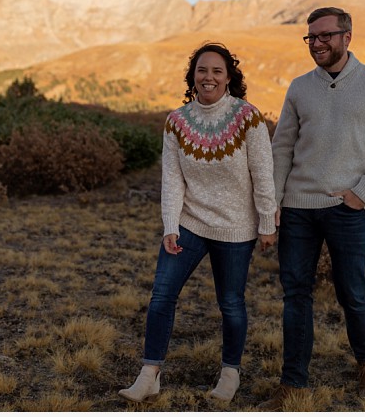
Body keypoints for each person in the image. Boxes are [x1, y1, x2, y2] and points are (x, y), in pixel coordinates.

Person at [259, 7, 365, 408]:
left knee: (353, 293)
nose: (318, 44)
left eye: (325, 36)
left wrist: (364, 192)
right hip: (297, 210)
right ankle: (293, 382)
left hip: (347, 209)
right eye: (311, 38)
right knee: (296, 295)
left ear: (347, 36)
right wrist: (273, 203)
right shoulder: (300, 87)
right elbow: (282, 148)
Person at [119, 42, 277, 405]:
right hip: (190, 223)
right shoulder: (177, 122)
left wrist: (267, 221)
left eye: (217, 71)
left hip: (236, 227)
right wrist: (170, 225)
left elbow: (263, 173)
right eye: (202, 70)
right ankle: (149, 375)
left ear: (228, 77)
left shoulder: (248, 118)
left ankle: (230, 372)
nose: (208, 77)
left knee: (231, 303)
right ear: (193, 76)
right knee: (162, 295)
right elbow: (172, 179)